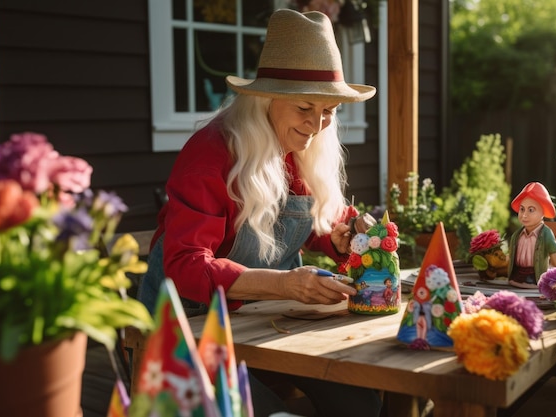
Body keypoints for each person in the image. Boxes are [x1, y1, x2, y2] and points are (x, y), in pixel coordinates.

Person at [138, 8, 382, 417]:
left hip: (264, 322)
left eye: (329, 111)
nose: (317, 124)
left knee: (360, 402)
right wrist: (286, 285)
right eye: (305, 107)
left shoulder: (300, 147)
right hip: (187, 324)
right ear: (266, 98)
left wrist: (336, 235)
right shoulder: (210, 154)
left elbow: (301, 222)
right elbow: (184, 265)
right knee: (261, 410)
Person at [508, 182, 556, 288]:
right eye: (522, 209)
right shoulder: (516, 235)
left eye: (531, 210)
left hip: (535, 276)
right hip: (516, 276)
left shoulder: (545, 234)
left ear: (543, 212)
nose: (524, 215)